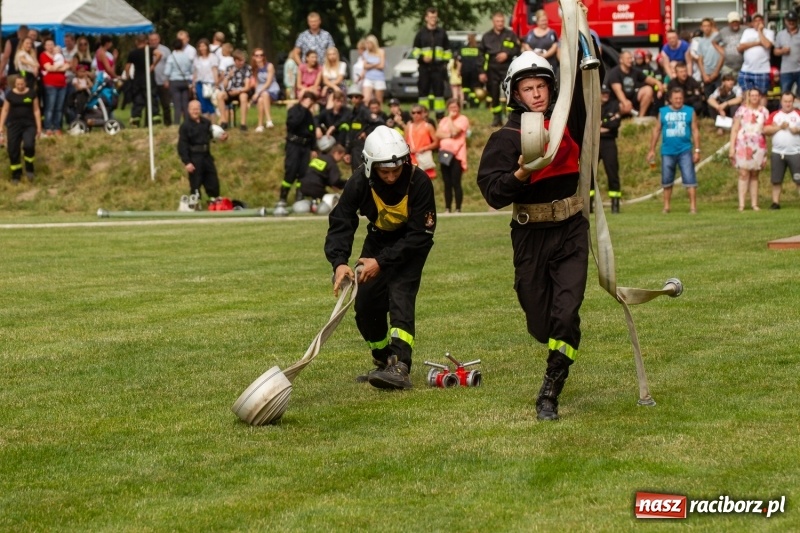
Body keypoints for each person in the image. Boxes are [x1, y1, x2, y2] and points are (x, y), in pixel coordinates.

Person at [477, 49, 593, 421]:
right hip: (530, 235)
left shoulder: (568, 123)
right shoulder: (506, 139)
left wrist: (579, 30)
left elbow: (583, 79)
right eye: (528, 88)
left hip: (572, 229)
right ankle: (560, 336)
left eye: (542, 86)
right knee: (541, 323)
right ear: (514, 93)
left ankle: (550, 388)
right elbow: (493, 193)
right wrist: (521, 173)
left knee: (565, 314)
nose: (537, 94)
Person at [325, 125, 437, 390]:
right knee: (365, 305)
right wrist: (339, 261)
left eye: (396, 170)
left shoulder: (419, 182)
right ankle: (383, 358)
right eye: (383, 171)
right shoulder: (359, 182)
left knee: (400, 295)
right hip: (377, 241)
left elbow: (421, 234)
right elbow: (342, 220)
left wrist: (382, 262)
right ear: (369, 166)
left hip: (410, 243)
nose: (390, 177)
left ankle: (401, 366)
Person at [647, 87, 701, 214]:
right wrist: (652, 149)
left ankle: (693, 207)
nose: (678, 101)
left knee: (690, 179)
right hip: (667, 151)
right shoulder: (663, 111)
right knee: (666, 180)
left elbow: (695, 130)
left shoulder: (690, 111)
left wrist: (697, 150)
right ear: (670, 99)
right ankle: (666, 207)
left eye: (680, 98)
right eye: (676, 98)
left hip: (685, 150)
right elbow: (657, 130)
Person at [178, 100, 227, 203]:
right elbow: (182, 145)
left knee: (212, 178)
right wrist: (187, 162)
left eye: (197, 109)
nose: (196, 111)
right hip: (194, 157)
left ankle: (214, 200)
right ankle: (195, 203)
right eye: (193, 109)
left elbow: (212, 136)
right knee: (196, 182)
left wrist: (222, 137)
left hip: (206, 156)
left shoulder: (206, 122)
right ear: (189, 110)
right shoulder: (185, 126)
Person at [729, 88, 768, 211]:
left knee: (755, 174)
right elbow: (735, 129)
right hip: (743, 144)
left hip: (758, 145)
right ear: (748, 97)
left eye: (757, 95)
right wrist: (731, 148)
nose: (755, 97)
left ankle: (754, 204)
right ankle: (741, 204)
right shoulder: (741, 110)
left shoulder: (764, 111)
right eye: (752, 95)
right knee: (743, 173)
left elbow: (767, 129)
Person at [480, 11, 521, 127]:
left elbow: (517, 49)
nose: (500, 23)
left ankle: (511, 117)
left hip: (507, 67)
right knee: (494, 93)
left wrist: (506, 54)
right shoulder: (486, 37)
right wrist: (481, 72)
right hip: (492, 67)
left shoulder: (510, 34)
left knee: (509, 92)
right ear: (493, 22)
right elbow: (481, 55)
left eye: (502, 21)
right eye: (497, 21)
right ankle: (496, 118)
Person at [0, 76, 42, 184]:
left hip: (29, 124)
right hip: (13, 125)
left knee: (29, 145)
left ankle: (29, 168)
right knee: (13, 149)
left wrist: (39, 126)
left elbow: (36, 110)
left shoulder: (31, 94)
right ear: (15, 84)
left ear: (25, 83)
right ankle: (16, 174)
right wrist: (1, 126)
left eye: (22, 84)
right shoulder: (10, 95)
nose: (20, 86)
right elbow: (5, 110)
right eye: (18, 84)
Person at [279, 91, 318, 205]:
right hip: (294, 145)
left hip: (305, 147)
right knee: (291, 170)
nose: (311, 104)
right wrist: (304, 109)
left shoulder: (309, 115)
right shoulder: (294, 110)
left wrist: (313, 148)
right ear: (304, 99)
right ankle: (283, 197)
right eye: (310, 101)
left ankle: (299, 196)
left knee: (303, 172)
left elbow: (312, 132)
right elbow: (293, 124)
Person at [412, 7, 451, 118]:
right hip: (424, 68)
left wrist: (444, 62)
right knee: (423, 94)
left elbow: (448, 51)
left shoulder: (442, 33)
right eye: (430, 17)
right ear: (426, 18)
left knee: (439, 94)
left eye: (434, 17)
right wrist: (422, 58)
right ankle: (423, 116)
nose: (433, 19)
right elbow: (415, 51)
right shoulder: (420, 34)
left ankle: (440, 117)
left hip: (438, 69)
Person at [764, 92, 800, 209]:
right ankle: (775, 202)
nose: (788, 104)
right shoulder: (775, 115)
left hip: (795, 152)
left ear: (793, 102)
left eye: (790, 101)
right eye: (785, 101)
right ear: (781, 102)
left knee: (798, 179)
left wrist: (797, 130)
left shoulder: (798, 114)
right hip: (778, 152)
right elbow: (765, 130)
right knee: (776, 180)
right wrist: (779, 127)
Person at [605, 50, 662, 117]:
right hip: (617, 100)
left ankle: (640, 118)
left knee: (648, 90)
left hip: (632, 98)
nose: (630, 60)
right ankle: (616, 120)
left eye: (631, 58)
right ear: (621, 60)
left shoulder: (634, 70)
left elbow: (649, 79)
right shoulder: (614, 73)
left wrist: (659, 85)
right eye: (627, 58)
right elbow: (618, 91)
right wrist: (625, 102)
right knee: (625, 107)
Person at [435, 98, 469, 213]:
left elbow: (456, 132)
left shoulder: (462, 119)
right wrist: (449, 135)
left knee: (456, 182)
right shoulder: (443, 120)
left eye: (455, 107)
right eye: (451, 108)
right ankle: (447, 207)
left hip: (457, 155)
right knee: (447, 183)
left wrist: (450, 119)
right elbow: (438, 134)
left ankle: (458, 208)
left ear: (459, 108)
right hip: (444, 154)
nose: (453, 110)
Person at [125, 34, 162, 127]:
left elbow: (127, 67)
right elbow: (159, 54)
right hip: (148, 78)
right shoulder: (149, 49)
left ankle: (136, 120)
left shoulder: (132, 53)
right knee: (152, 98)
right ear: (146, 41)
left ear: (136, 42)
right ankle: (155, 119)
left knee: (138, 100)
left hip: (138, 79)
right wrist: (153, 65)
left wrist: (128, 77)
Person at [599, 84, 623, 213]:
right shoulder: (592, 105)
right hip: (594, 143)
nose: (605, 95)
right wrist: (607, 123)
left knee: (612, 173)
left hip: (609, 142)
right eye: (603, 93)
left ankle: (615, 205)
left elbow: (616, 123)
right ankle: (589, 205)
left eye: (607, 93)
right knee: (589, 175)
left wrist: (602, 124)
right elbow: (589, 125)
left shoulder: (614, 105)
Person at [736, 13, 774, 95]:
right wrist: (758, 43)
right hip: (746, 69)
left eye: (759, 20)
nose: (757, 22)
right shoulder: (747, 32)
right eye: (755, 21)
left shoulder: (769, 32)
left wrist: (760, 31)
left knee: (762, 95)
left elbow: (767, 44)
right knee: (746, 94)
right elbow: (740, 47)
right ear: (752, 23)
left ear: (763, 22)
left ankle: (761, 108)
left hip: (762, 70)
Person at [217, 49, 253, 130]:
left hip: (242, 91)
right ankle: (223, 121)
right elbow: (225, 86)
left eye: (243, 60)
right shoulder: (229, 68)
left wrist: (238, 91)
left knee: (243, 96)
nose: (242, 62)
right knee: (220, 95)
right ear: (235, 60)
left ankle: (243, 124)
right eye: (239, 60)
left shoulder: (247, 68)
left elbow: (247, 87)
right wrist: (228, 77)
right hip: (231, 91)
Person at [39, 38, 69, 136]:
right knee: (50, 107)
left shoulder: (58, 55)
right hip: (50, 84)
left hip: (62, 84)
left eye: (52, 44)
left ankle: (57, 127)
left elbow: (67, 66)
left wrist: (55, 68)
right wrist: (59, 68)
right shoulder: (43, 55)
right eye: (48, 45)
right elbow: (48, 68)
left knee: (59, 107)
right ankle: (48, 127)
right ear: (45, 46)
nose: (50, 46)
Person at [164, 38, 194, 125]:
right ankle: (188, 122)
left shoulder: (171, 57)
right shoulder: (187, 56)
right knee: (185, 104)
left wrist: (166, 79)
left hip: (174, 81)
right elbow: (191, 69)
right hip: (185, 81)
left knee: (177, 104)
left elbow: (167, 71)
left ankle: (177, 123)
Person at [404, 103, 438, 180]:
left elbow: (436, 142)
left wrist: (425, 148)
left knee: (425, 180)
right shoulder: (408, 126)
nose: (416, 115)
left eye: (418, 112)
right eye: (413, 113)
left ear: (423, 114)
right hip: (411, 157)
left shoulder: (428, 126)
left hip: (424, 156)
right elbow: (404, 142)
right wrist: (409, 149)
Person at [694, 18, 725, 99]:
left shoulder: (717, 37)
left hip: (718, 74)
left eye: (708, 26)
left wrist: (716, 72)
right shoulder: (701, 41)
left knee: (720, 98)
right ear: (701, 27)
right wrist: (704, 74)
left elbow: (723, 55)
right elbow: (700, 59)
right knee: (708, 99)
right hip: (706, 75)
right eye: (704, 26)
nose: (706, 28)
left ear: (711, 27)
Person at [250, 48, 280, 132]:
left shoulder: (269, 66)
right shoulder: (255, 68)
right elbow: (257, 83)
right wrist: (256, 92)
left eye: (261, 55)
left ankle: (268, 119)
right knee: (260, 100)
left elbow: (268, 82)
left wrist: (258, 92)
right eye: (257, 55)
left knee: (264, 94)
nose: (259, 57)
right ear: (253, 57)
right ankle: (260, 125)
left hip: (272, 88)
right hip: (261, 89)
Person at [521, 9, 559, 74]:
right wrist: (534, 55)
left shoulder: (552, 33)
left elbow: (555, 46)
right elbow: (526, 45)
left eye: (545, 20)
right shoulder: (530, 33)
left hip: (549, 64)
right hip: (534, 64)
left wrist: (544, 56)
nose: (544, 22)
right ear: (537, 21)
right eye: (542, 21)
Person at [344, 85, 370, 172]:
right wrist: (347, 151)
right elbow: (349, 133)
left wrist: (366, 132)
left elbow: (374, 124)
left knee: (362, 170)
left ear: (361, 98)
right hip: (354, 146)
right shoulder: (351, 113)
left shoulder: (365, 111)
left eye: (356, 97)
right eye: (351, 97)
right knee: (355, 171)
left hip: (363, 145)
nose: (354, 99)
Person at [149, 33, 173, 127]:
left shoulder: (165, 50)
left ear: (159, 39)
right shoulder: (147, 50)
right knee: (152, 104)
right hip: (151, 81)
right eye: (151, 40)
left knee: (165, 104)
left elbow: (170, 65)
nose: (153, 41)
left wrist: (167, 79)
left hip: (163, 81)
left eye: (155, 39)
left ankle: (168, 123)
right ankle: (152, 123)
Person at [192, 39, 219, 121]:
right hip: (199, 83)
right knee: (202, 104)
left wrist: (216, 82)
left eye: (204, 46)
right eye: (200, 46)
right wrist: (193, 84)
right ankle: (205, 122)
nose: (202, 48)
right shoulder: (197, 59)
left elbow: (214, 70)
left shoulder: (212, 57)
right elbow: (195, 72)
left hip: (209, 83)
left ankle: (213, 123)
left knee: (209, 103)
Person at [774, 11, 800, 96]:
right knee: (785, 95)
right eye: (789, 20)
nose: (791, 22)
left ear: (797, 21)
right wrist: (782, 51)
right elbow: (775, 52)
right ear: (785, 21)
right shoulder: (780, 34)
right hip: (786, 70)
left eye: (793, 20)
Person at [716, 12, 745, 78]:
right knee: (727, 86)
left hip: (743, 66)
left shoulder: (746, 30)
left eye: (736, 22)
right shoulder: (723, 31)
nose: (735, 24)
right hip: (727, 67)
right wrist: (722, 51)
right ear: (728, 23)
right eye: (732, 22)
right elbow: (714, 42)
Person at [458, 33, 482, 108]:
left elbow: (460, 61)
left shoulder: (463, 48)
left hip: (465, 70)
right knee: (473, 87)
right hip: (475, 71)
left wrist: (459, 71)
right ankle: (473, 103)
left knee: (465, 87)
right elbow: (481, 60)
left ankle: (465, 101)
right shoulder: (478, 49)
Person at [361, 35, 387, 105]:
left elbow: (381, 65)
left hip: (379, 78)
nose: (367, 45)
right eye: (366, 43)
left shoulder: (381, 52)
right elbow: (365, 66)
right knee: (366, 99)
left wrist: (370, 65)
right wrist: (375, 64)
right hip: (368, 77)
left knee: (379, 100)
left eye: (368, 43)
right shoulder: (365, 53)